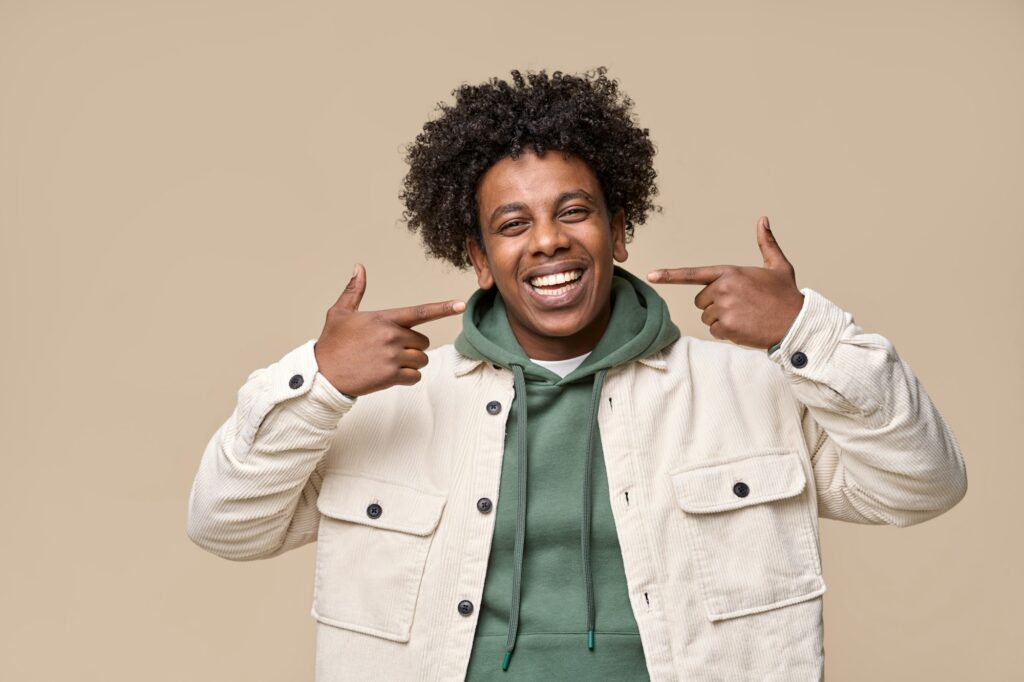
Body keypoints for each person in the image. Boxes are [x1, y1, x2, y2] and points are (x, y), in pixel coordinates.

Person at [186, 67, 968, 681]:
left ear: (619, 231)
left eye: (575, 211)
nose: (548, 242)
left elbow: (923, 486)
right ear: (478, 259)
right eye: (512, 223)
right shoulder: (387, 402)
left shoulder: (750, 388)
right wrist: (318, 380)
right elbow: (226, 525)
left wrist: (807, 331)